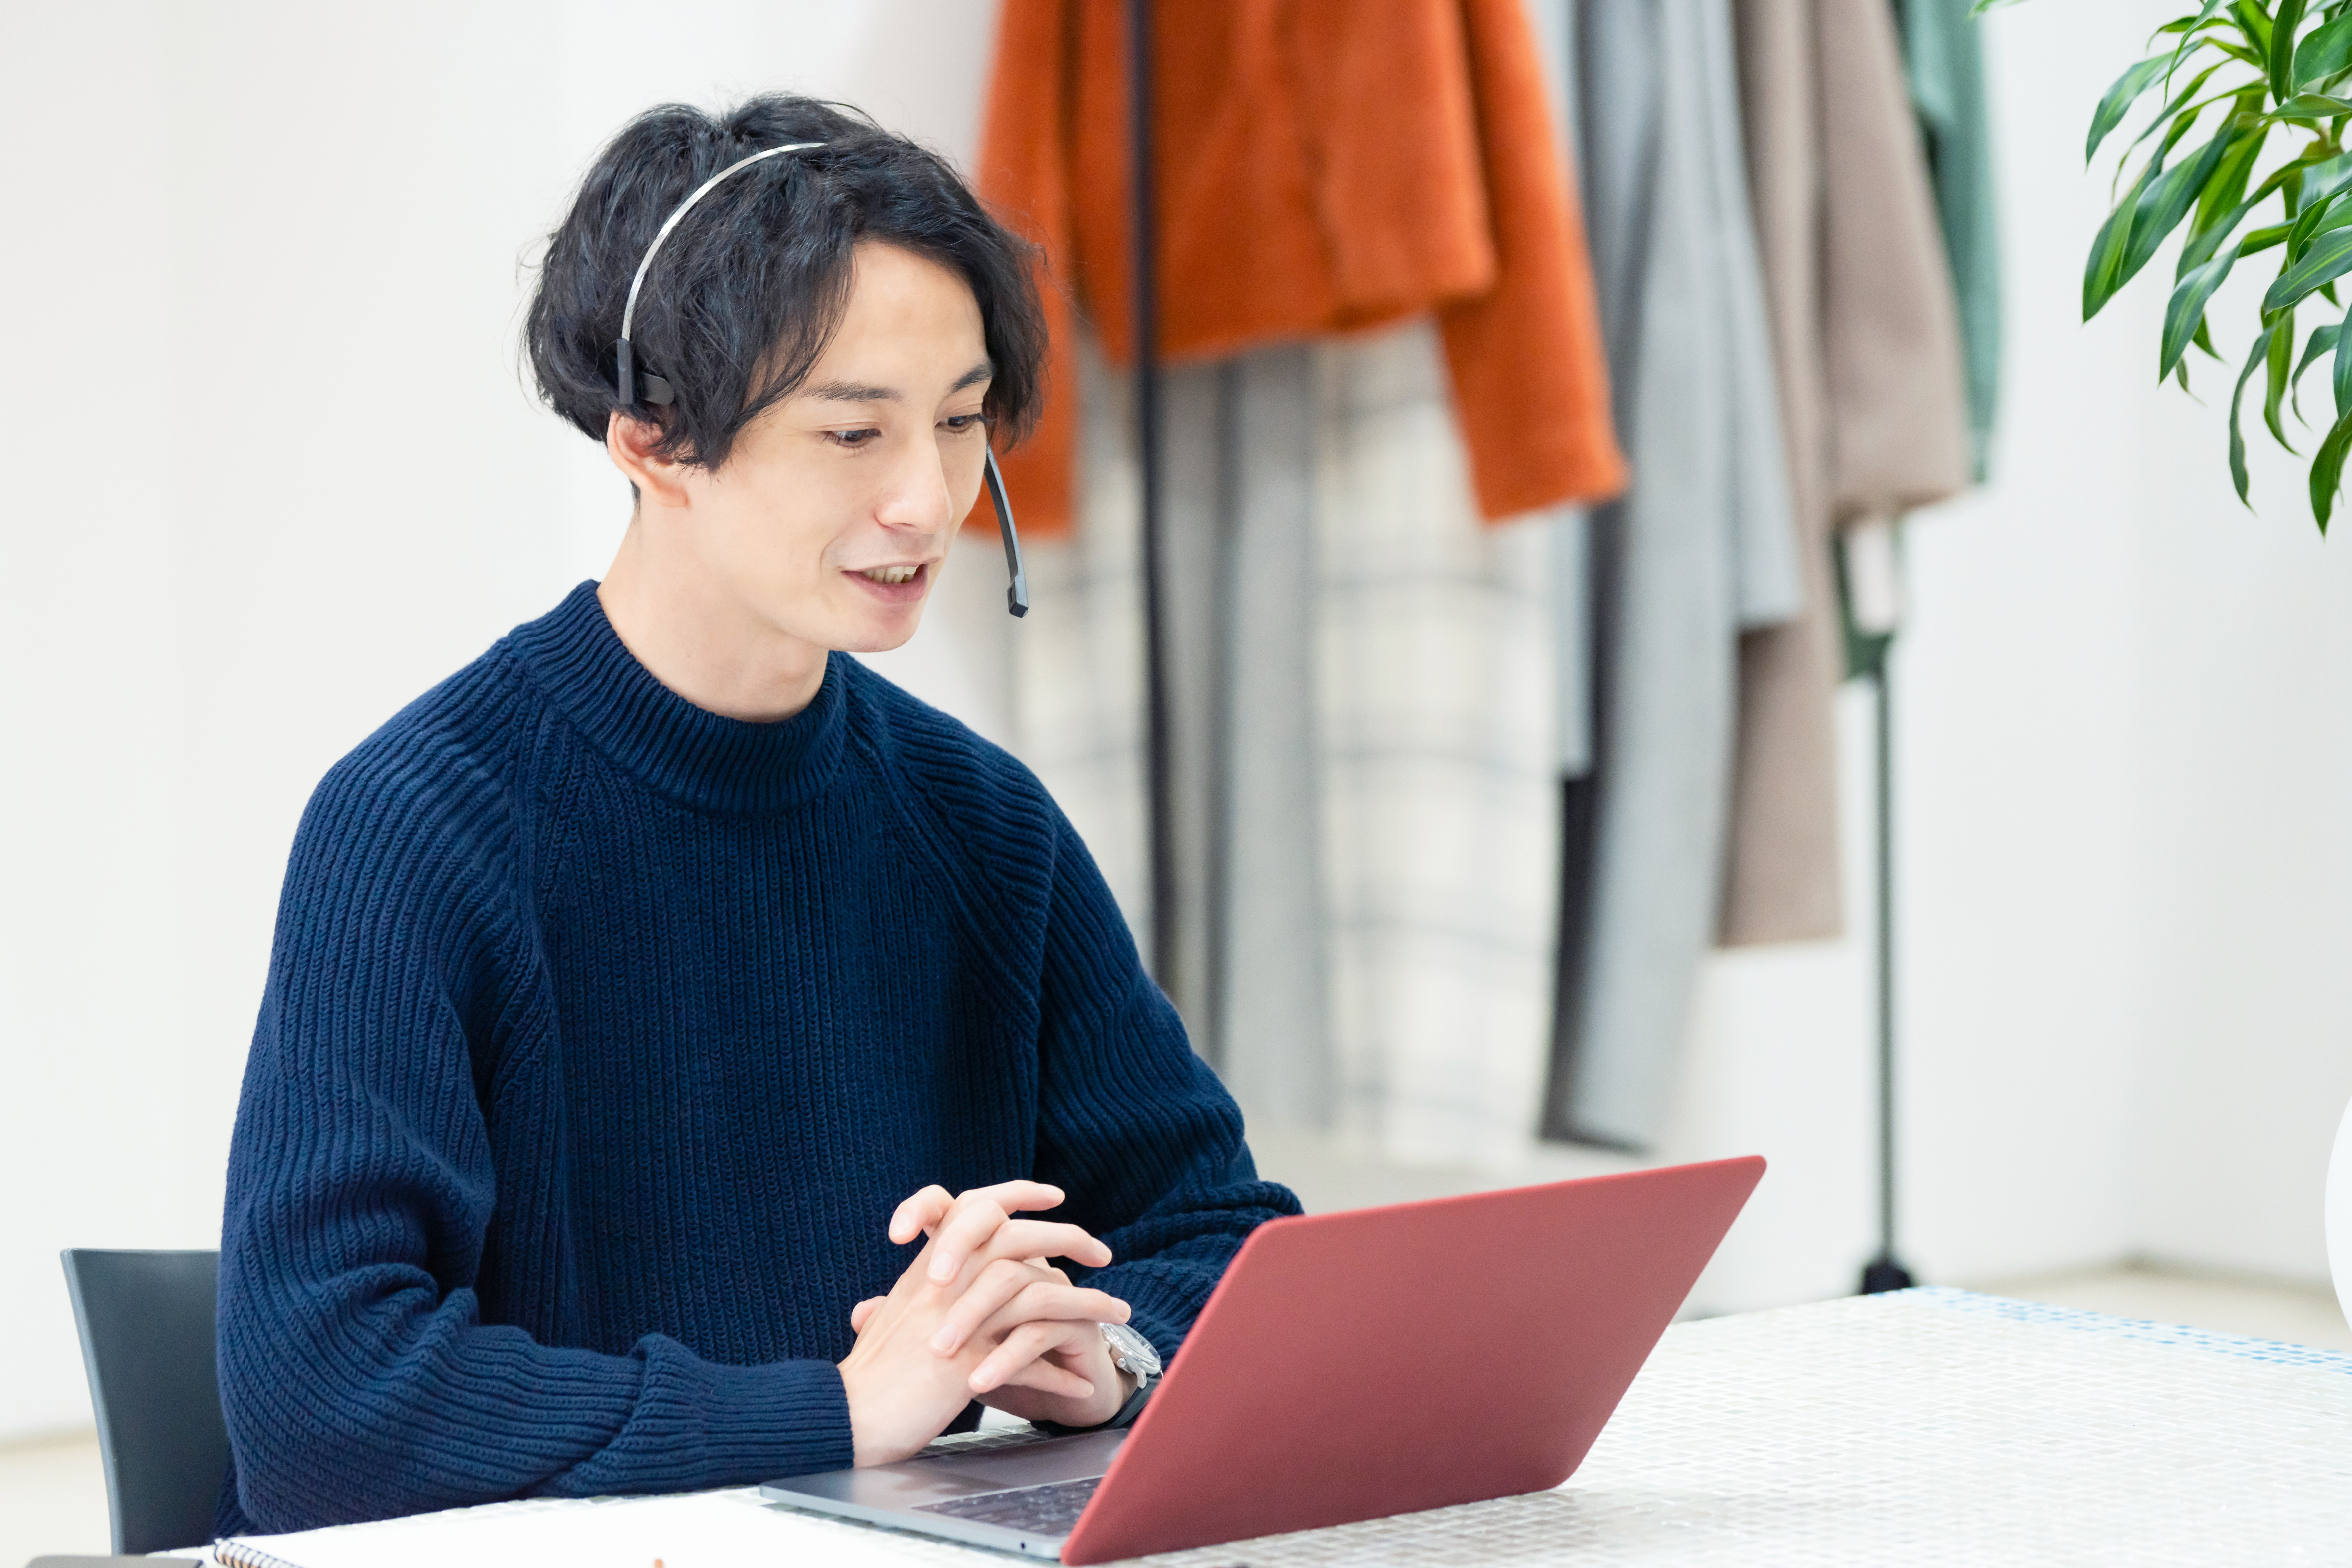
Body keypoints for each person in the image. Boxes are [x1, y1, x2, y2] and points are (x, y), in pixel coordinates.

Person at [213, 94, 1301, 1535]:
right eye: (853, 433)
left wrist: (1107, 1354)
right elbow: (320, 1404)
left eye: (962, 422)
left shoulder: (985, 829)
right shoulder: (417, 828)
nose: (927, 499)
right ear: (654, 440)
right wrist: (839, 1412)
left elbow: (1225, 1239)